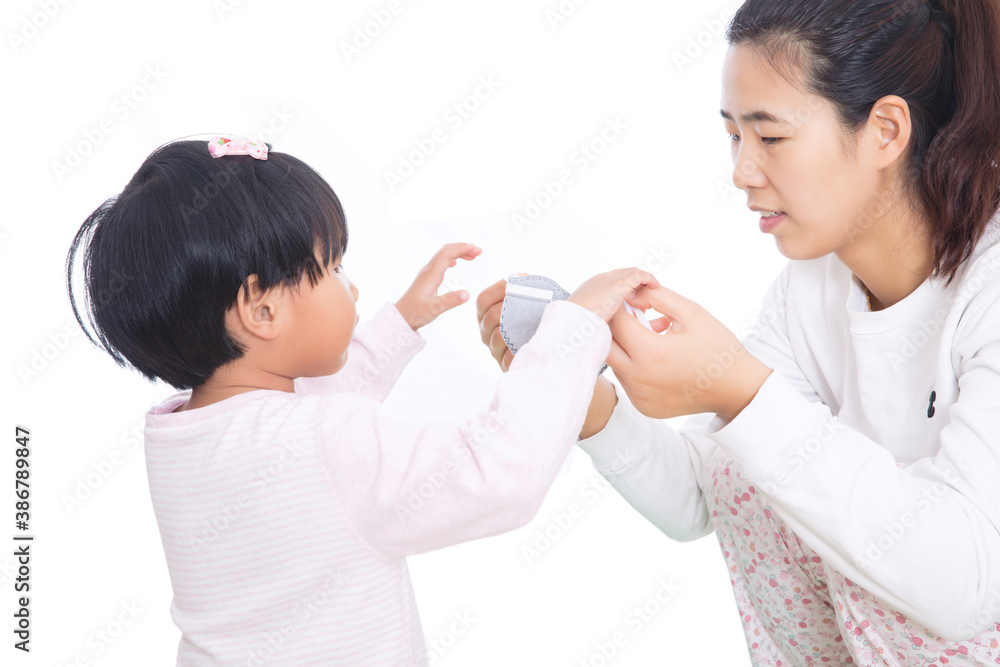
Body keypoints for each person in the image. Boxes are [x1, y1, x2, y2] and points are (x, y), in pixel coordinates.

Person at [478, 0, 1000, 664]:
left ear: (886, 131)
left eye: (771, 137)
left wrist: (741, 390)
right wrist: (584, 394)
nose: (742, 172)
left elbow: (967, 588)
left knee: (883, 530)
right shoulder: (813, 287)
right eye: (733, 135)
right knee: (758, 466)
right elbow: (707, 495)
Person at [66, 136, 657, 665]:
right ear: (262, 309)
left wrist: (401, 324)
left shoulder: (187, 434)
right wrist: (571, 332)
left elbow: (303, 427)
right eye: (332, 268)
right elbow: (498, 473)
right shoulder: (317, 444)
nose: (353, 287)